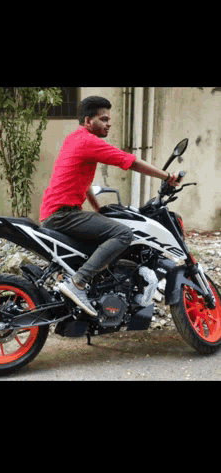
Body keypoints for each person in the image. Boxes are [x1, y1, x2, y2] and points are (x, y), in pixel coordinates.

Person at [39, 95, 181, 317]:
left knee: (108, 235)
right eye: (103, 119)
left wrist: (97, 209)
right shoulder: (88, 141)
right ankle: (77, 283)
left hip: (57, 213)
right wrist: (167, 177)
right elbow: (130, 161)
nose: (109, 123)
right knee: (124, 234)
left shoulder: (74, 139)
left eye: (109, 119)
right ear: (88, 121)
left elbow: (84, 184)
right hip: (63, 215)